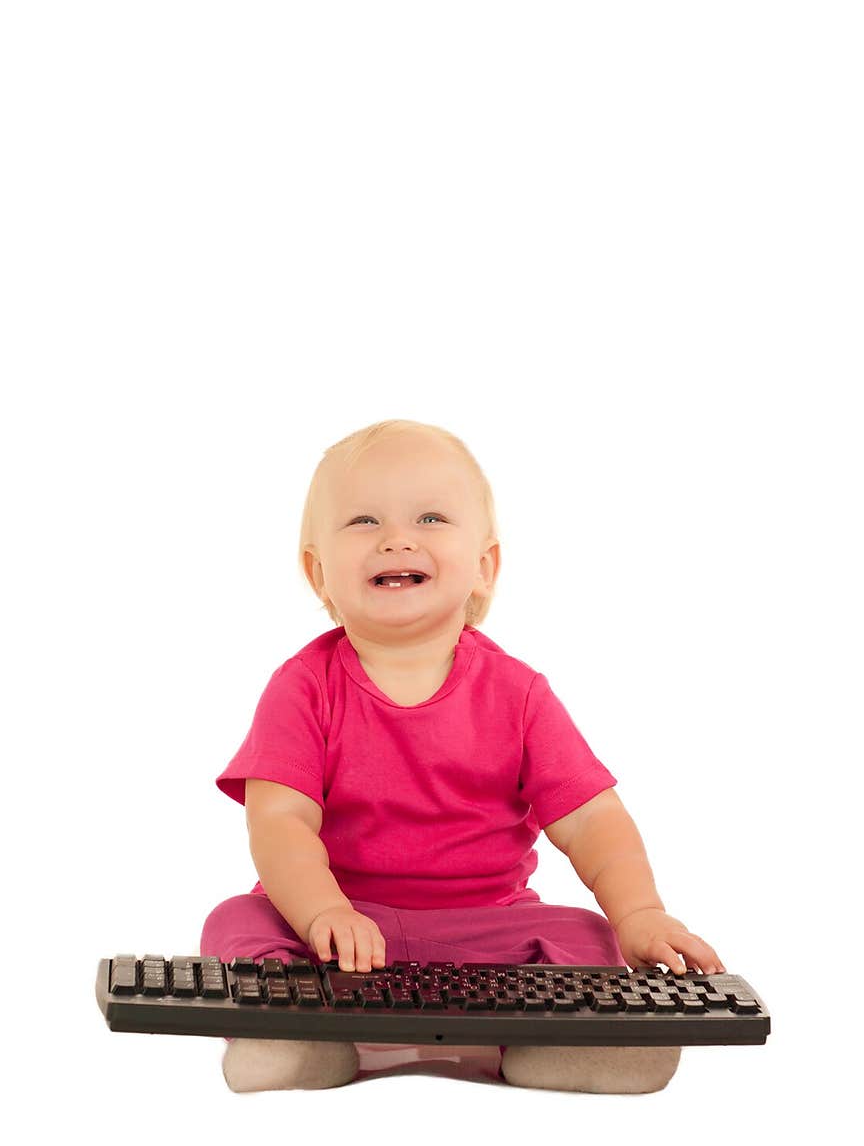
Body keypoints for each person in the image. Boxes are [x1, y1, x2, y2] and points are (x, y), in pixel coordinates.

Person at [201, 419, 724, 1094]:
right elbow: (279, 823)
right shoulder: (302, 687)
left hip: (488, 932)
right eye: (363, 519)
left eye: (431, 516)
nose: (397, 537)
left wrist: (640, 914)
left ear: (485, 565)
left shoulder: (520, 693)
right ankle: (299, 1038)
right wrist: (322, 911)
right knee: (236, 921)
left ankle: (554, 1043)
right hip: (337, 931)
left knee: (588, 934)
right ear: (316, 570)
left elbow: (594, 821)